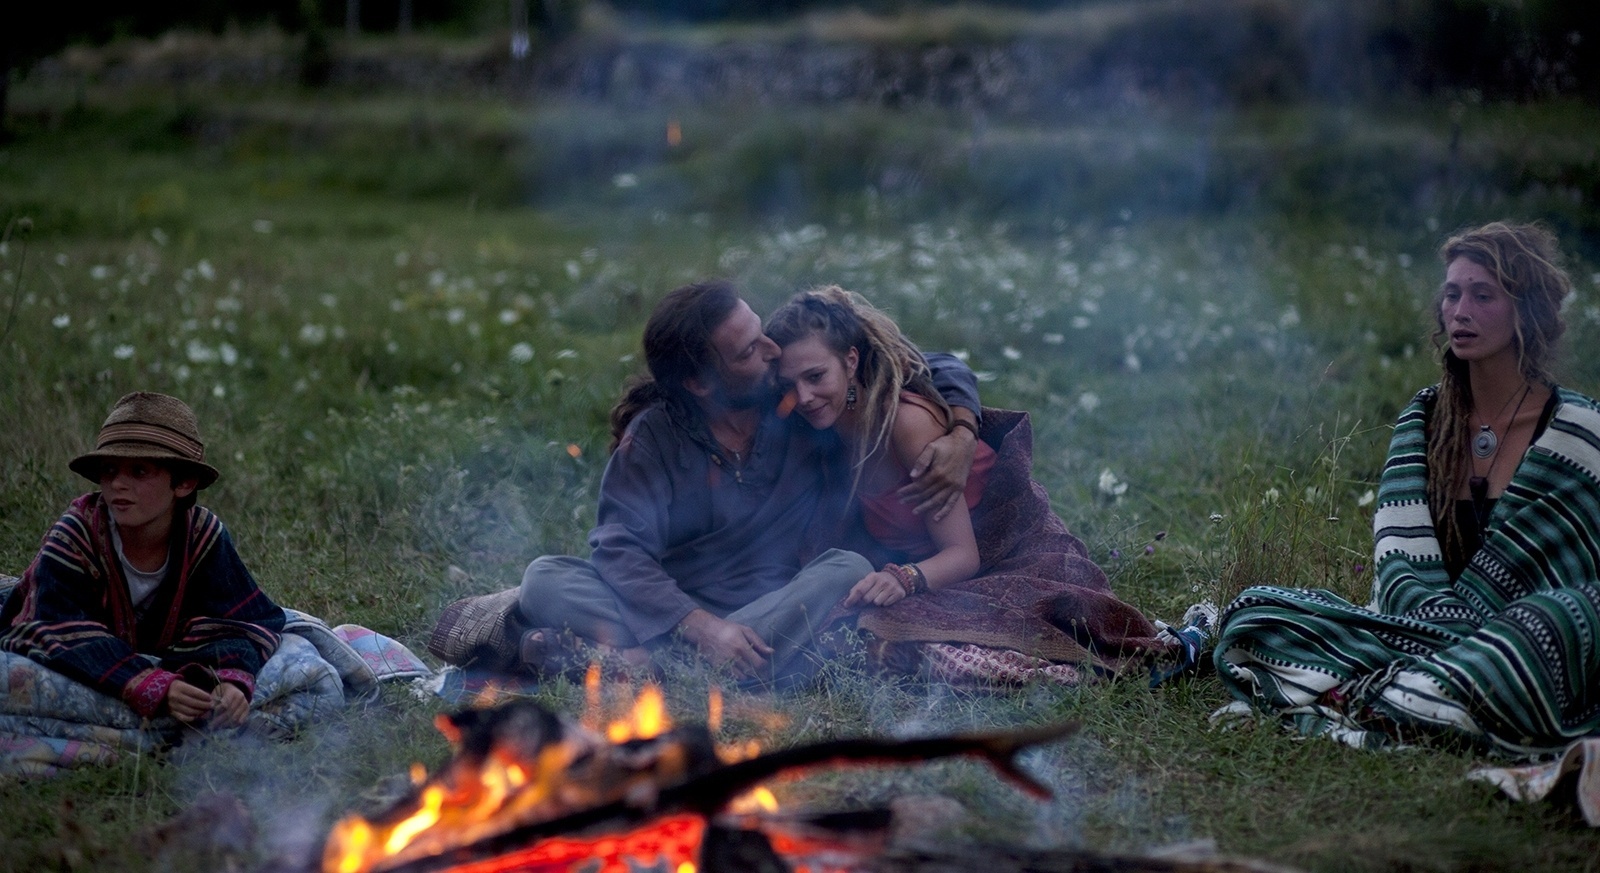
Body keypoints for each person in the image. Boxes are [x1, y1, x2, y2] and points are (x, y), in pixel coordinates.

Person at [1213, 221, 1600, 756]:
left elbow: (1580, 576)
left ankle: (1391, 698)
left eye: (1483, 295)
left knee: (1568, 615)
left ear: (1526, 311)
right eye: (1452, 293)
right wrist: (1439, 630)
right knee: (1255, 611)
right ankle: (1432, 697)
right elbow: (1400, 572)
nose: (1460, 310)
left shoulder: (1579, 431)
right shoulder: (1425, 421)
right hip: (1418, 633)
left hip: (1526, 641)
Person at [503, 280, 983, 683]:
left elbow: (926, 362)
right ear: (700, 383)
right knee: (545, 578)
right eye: (751, 349)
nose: (772, 350)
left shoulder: (796, 402)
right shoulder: (655, 437)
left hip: (775, 601)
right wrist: (697, 625)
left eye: (761, 333)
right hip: (677, 605)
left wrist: (962, 430)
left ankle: (647, 666)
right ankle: (698, 663)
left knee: (848, 569)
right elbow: (617, 549)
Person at [765, 286, 1163, 684]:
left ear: (850, 361)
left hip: (1003, 557)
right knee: (850, 634)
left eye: (816, 376)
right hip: (936, 574)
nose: (803, 397)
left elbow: (962, 556)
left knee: (926, 651)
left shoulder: (905, 424)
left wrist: (903, 579)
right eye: (789, 385)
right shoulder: (827, 432)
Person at [0, 392, 284, 730]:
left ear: (184, 482)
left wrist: (231, 681)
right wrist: (152, 684)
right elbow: (50, 624)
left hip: (155, 651)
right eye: (109, 470)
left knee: (298, 654)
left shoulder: (202, 534)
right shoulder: (77, 533)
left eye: (139, 471)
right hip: (88, 647)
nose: (119, 484)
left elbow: (241, 620)